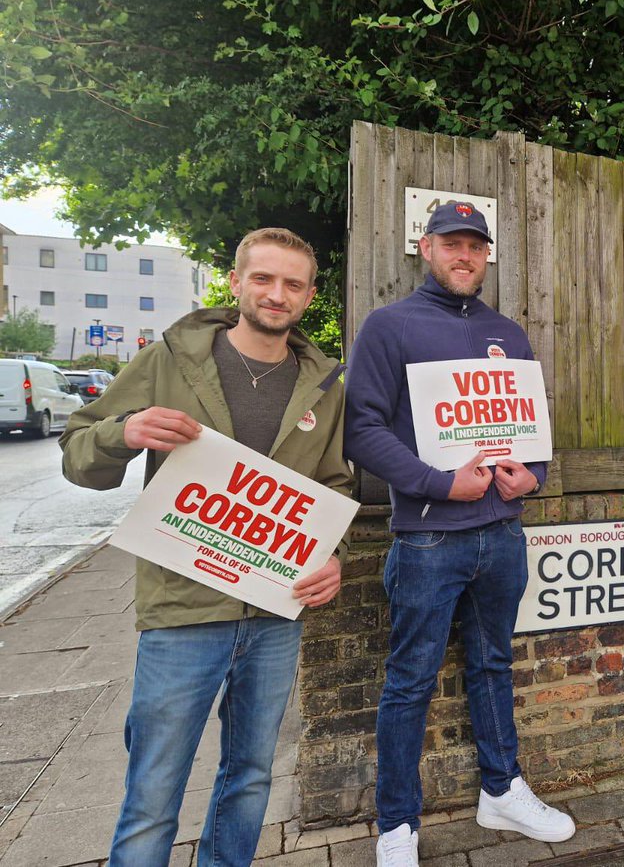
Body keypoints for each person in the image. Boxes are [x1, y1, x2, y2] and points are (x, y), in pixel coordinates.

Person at [60, 227, 352, 867]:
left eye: (293, 285)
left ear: (308, 295)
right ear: (237, 282)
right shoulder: (171, 358)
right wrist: (125, 430)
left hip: (275, 614)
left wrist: (333, 556)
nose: (277, 295)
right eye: (264, 279)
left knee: (249, 777)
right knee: (155, 792)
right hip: (181, 611)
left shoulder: (323, 383)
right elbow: (79, 457)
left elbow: (331, 483)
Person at [344, 202, 574, 867]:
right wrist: (441, 485)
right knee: (410, 681)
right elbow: (361, 430)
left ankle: (500, 791)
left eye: (475, 245)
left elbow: (532, 430)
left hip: (502, 533)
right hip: (427, 540)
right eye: (452, 243)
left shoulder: (509, 332)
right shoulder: (389, 327)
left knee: (494, 665)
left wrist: (531, 475)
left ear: (487, 254)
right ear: (426, 246)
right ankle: (397, 826)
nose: (464, 255)